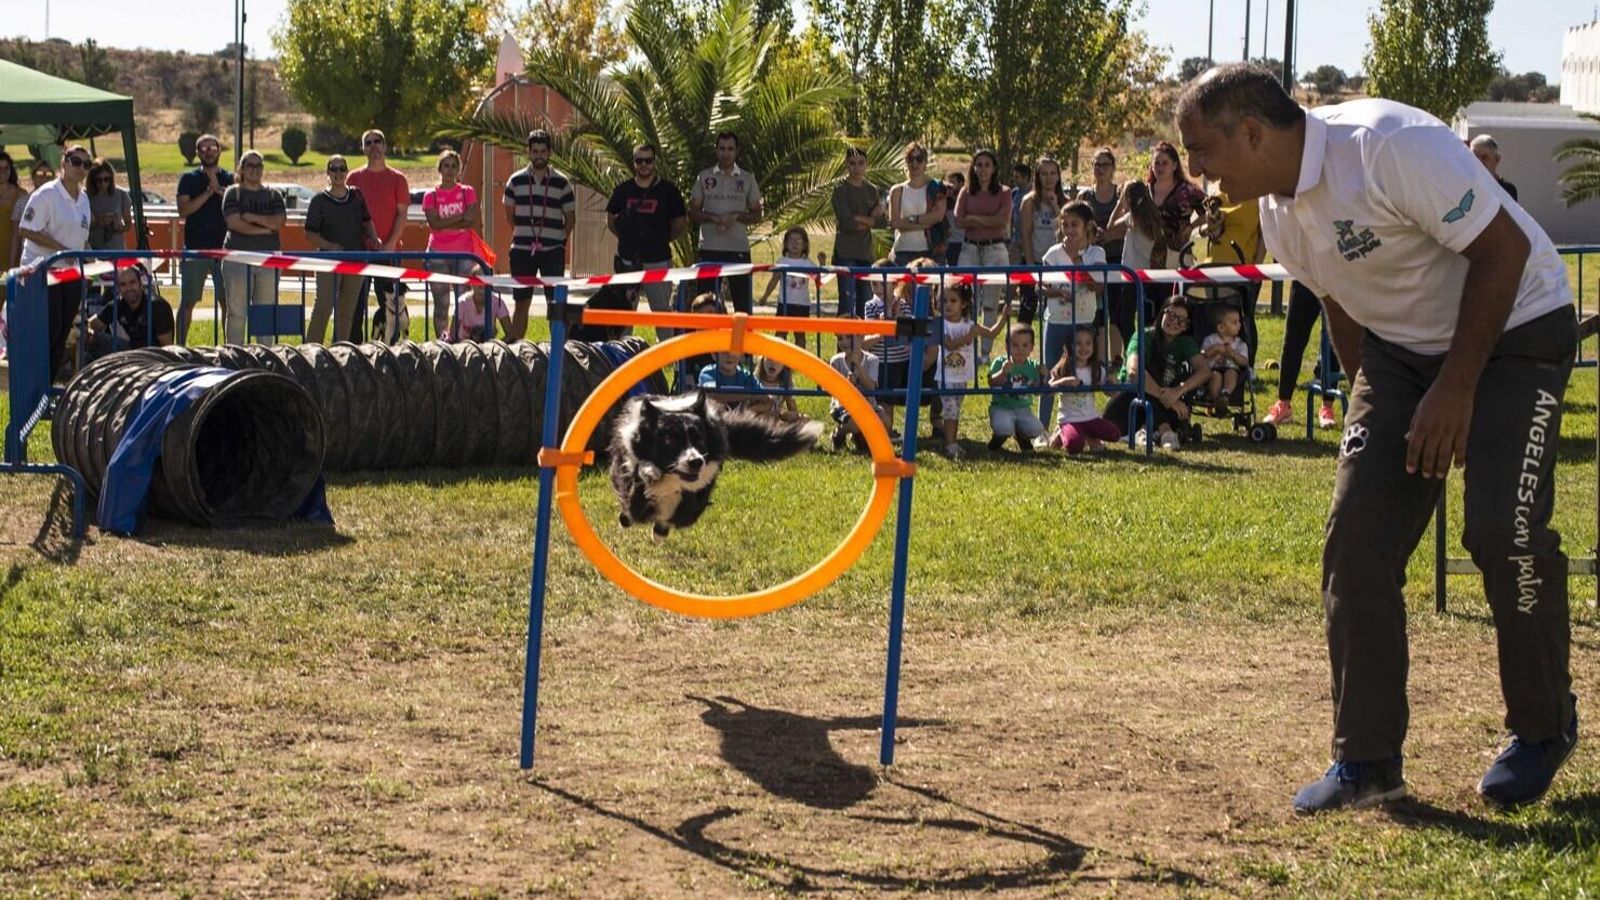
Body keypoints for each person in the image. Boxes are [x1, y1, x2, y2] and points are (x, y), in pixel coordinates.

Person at [1177, 63, 1581, 812]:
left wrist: (1456, 391)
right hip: (1404, 355)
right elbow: (1342, 302)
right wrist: (1377, 421)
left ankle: (1543, 727)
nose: (1197, 173)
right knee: (1357, 539)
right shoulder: (1278, 213)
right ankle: (1366, 762)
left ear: (1254, 133)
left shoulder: (1387, 147)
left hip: (1518, 326)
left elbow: (1503, 253)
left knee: (1501, 529)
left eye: (1203, 153)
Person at [16, 145, 92, 379]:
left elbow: (82, 239)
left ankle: (46, 382)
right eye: (76, 161)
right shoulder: (46, 194)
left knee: (63, 331)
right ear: (64, 162)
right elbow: (25, 229)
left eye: (86, 164)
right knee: (50, 328)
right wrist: (61, 250)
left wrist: (90, 262)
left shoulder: (84, 199)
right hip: (42, 270)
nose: (81, 168)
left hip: (70, 273)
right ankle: (32, 381)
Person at [1104, 295, 1209, 450]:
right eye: (1171, 315)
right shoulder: (1144, 335)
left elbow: (1205, 371)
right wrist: (1168, 398)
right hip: (1129, 403)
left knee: (1183, 377)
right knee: (1150, 370)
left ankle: (1150, 431)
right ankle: (1164, 430)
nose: (1174, 322)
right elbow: (1134, 371)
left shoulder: (1185, 343)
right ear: (1162, 313)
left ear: (1186, 326)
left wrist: (1179, 390)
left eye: (1181, 320)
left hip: (1164, 405)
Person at [1037, 201, 1108, 427]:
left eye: (1074, 224)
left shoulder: (1096, 253)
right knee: (1050, 372)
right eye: (1065, 225)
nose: (1069, 230)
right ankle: (1042, 428)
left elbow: (1097, 287)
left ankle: (1081, 420)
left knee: (1084, 371)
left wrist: (1076, 260)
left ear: (1087, 225)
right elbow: (1040, 286)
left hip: (1084, 322)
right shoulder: (1053, 253)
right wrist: (1057, 291)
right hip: (1057, 321)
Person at [607, 142, 688, 337]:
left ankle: (667, 358)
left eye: (648, 160)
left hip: (658, 261)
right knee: (625, 312)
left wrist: (662, 240)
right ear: (634, 163)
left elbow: (680, 222)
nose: (644, 165)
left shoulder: (668, 190)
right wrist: (626, 239)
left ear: (654, 162)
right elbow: (611, 220)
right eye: (639, 161)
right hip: (627, 261)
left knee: (661, 313)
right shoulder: (623, 190)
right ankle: (623, 356)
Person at [303, 155, 379, 343]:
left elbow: (366, 221)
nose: (338, 173)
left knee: (347, 310)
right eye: (333, 169)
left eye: (341, 169)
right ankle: (311, 348)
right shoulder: (319, 200)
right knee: (324, 305)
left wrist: (374, 238)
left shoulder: (357, 195)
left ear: (346, 171)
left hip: (355, 259)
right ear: (328, 172)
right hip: (328, 261)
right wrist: (330, 246)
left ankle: (340, 349)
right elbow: (310, 233)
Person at [347, 129, 411, 342]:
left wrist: (391, 243)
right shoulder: (353, 178)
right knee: (355, 306)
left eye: (377, 142)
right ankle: (353, 348)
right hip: (359, 253)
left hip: (389, 253)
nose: (373, 146)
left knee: (391, 306)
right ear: (363, 148)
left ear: (385, 146)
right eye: (368, 143)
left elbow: (402, 213)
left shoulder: (398, 179)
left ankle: (390, 349)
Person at [933, 282, 1010, 460]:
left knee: (955, 410)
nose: (948, 305)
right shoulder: (941, 325)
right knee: (950, 410)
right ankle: (950, 443)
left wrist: (1004, 318)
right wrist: (969, 337)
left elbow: (991, 333)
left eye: (953, 300)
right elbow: (950, 345)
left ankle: (951, 440)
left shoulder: (969, 324)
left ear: (964, 304)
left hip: (962, 376)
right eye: (944, 301)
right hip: (946, 377)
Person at [690, 131, 763, 313]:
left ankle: (741, 342)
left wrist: (736, 216)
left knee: (743, 308)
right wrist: (714, 218)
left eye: (730, 149)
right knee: (706, 306)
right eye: (722, 148)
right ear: (716, 151)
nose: (726, 153)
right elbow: (693, 212)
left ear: (737, 151)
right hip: (709, 250)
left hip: (738, 251)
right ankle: (709, 342)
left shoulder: (747, 178)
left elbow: (756, 215)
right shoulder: (704, 177)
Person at [219, 150, 287, 345]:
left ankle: (267, 355)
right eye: (250, 165)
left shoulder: (273, 194)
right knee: (237, 313)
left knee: (266, 312)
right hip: (238, 259)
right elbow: (234, 223)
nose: (255, 170)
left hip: (269, 260)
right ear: (241, 168)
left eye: (259, 166)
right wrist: (265, 230)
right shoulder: (233, 193)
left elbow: (279, 222)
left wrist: (253, 218)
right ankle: (235, 355)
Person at [174, 133, 233, 344]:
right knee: (188, 301)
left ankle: (230, 347)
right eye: (204, 149)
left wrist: (220, 191)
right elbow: (184, 209)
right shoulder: (189, 179)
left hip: (225, 250)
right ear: (198, 153)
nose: (209, 152)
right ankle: (179, 346)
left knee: (227, 301)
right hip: (195, 249)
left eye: (213, 148)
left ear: (219, 150)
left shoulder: (230, 179)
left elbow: (237, 205)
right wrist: (208, 193)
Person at [1262, 282, 1341, 429]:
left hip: (1333, 278)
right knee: (1293, 340)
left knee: (1332, 341)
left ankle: (1327, 407)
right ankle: (1283, 404)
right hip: (1304, 278)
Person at [955, 150, 1011, 350]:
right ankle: (965, 344)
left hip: (994, 249)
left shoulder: (1004, 192)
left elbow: (1002, 220)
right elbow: (959, 220)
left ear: (994, 168)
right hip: (970, 249)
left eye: (987, 165)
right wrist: (987, 220)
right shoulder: (966, 191)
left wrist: (974, 218)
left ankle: (985, 351)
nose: (983, 169)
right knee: (966, 299)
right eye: (979, 165)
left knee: (990, 302)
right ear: (973, 167)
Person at [422, 149, 481, 339]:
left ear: (459, 170)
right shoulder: (430, 195)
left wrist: (444, 222)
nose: (449, 170)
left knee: (464, 301)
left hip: (464, 254)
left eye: (453, 166)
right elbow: (434, 224)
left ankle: (462, 338)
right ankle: (442, 341)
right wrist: (459, 218)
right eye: (446, 166)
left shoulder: (467, 192)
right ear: (440, 168)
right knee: (441, 304)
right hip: (437, 253)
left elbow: (470, 219)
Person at [1108, 180, 1167, 365]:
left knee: (1123, 319)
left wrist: (1119, 205)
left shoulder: (1132, 218)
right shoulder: (1154, 216)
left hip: (1131, 276)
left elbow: (1109, 230)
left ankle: (1133, 352)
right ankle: (1146, 354)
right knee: (1144, 318)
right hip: (1149, 275)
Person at [1048, 327, 1121, 454]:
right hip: (1070, 418)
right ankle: (1061, 432)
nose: (1083, 347)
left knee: (1115, 434)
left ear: (1094, 346)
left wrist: (1112, 383)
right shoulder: (1063, 367)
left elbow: (1111, 393)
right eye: (1078, 343)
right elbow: (1048, 390)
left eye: (1088, 343)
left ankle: (1089, 436)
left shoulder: (1097, 368)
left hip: (1091, 418)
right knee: (1074, 445)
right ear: (1070, 346)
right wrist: (1064, 382)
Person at [830, 146, 882, 317]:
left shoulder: (872, 190)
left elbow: (881, 221)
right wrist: (869, 220)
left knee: (865, 301)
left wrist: (859, 218)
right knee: (847, 302)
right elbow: (847, 223)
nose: (857, 167)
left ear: (866, 164)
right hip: (845, 253)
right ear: (846, 164)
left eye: (861, 163)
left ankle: (861, 343)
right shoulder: (840, 189)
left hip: (866, 254)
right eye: (852, 163)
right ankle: (844, 344)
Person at [86, 264, 174, 358]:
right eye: (123, 284)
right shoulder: (119, 304)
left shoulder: (157, 306)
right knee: (87, 337)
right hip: (131, 353)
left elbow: (167, 348)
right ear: (118, 288)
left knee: (96, 339)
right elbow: (91, 324)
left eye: (132, 282)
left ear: (140, 283)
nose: (128, 288)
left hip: (153, 358)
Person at [986, 323, 1044, 452]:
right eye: (1015, 345)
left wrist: (1042, 376)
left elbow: (1037, 392)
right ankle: (997, 440)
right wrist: (1003, 372)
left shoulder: (1033, 366)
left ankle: (1022, 436)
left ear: (1031, 348)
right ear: (1007, 347)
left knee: (1037, 429)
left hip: (1023, 409)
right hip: (1002, 407)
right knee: (1004, 428)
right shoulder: (1001, 362)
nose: (1020, 349)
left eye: (1025, 345)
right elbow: (992, 383)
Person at [1147, 140, 1205, 266]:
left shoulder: (1187, 191)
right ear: (1151, 166)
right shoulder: (1145, 192)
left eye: (1165, 163)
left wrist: (1190, 227)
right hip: (1147, 258)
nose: (1160, 167)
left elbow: (1209, 211)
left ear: (1174, 165)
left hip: (1179, 256)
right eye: (1157, 163)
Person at [888, 142, 945, 266]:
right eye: (910, 159)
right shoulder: (897, 190)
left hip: (931, 251)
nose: (915, 163)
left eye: (919, 159)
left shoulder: (936, 187)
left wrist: (910, 220)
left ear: (925, 162)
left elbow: (938, 217)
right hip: (903, 251)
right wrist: (924, 225)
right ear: (906, 162)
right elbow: (895, 223)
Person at [758, 227, 814, 346]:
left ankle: (799, 361)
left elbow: (818, 276)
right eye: (791, 240)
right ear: (786, 244)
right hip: (784, 303)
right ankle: (779, 361)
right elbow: (774, 280)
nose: (795, 244)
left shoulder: (807, 262)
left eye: (798, 241)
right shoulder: (781, 261)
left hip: (802, 304)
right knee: (780, 334)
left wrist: (822, 263)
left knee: (800, 335)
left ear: (804, 245)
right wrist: (765, 296)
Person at [828, 332, 881, 452]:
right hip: (843, 406)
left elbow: (871, 387)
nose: (844, 342)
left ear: (861, 337)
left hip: (868, 404)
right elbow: (833, 388)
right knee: (855, 422)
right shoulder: (836, 361)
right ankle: (839, 434)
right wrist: (847, 385)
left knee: (885, 422)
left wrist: (857, 365)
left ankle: (859, 436)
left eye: (849, 337)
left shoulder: (872, 359)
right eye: (840, 338)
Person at [1201, 305, 1250, 414]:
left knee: (1231, 374)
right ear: (1221, 327)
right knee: (1215, 377)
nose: (1239, 325)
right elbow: (1202, 355)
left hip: (1231, 368)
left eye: (1239, 321)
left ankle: (1225, 394)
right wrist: (1215, 349)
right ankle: (1216, 400)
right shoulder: (1210, 340)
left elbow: (1244, 361)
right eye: (1234, 322)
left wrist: (1233, 354)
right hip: (1213, 369)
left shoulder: (1239, 343)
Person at [698, 350, 772, 413]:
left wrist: (747, 411)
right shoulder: (708, 372)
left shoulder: (746, 376)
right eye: (724, 351)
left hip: (738, 422)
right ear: (714, 355)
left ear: (741, 355)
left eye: (734, 351)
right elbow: (713, 394)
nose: (730, 356)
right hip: (716, 421)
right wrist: (749, 396)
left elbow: (768, 400)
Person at [85, 159, 132, 253]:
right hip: (94, 250)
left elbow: (128, 225)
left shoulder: (121, 194)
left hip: (117, 251)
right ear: (92, 180)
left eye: (106, 179)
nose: (103, 183)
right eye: (99, 180)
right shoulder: (85, 196)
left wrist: (117, 226)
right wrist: (98, 222)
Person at [0, 152, 24, 314]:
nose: (3, 172)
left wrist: (11, 263)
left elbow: (18, 232)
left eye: (7, 168)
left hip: (11, 252)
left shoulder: (21, 195)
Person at [1470, 134, 1519, 201]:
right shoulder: (1466, 185)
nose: (1479, 162)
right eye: (1475, 157)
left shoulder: (1507, 189)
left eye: (1484, 157)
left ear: (1497, 159)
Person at [754, 354, 802, 421]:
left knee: (804, 418)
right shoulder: (754, 381)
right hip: (758, 420)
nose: (773, 363)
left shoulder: (783, 384)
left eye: (778, 360)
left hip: (777, 420)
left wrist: (788, 415)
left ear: (784, 365)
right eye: (769, 358)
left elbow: (793, 408)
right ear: (762, 359)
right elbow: (748, 409)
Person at [942, 171, 966, 267]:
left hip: (964, 243)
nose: (950, 186)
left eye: (953, 183)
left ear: (961, 184)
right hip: (950, 243)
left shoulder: (966, 200)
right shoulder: (946, 202)